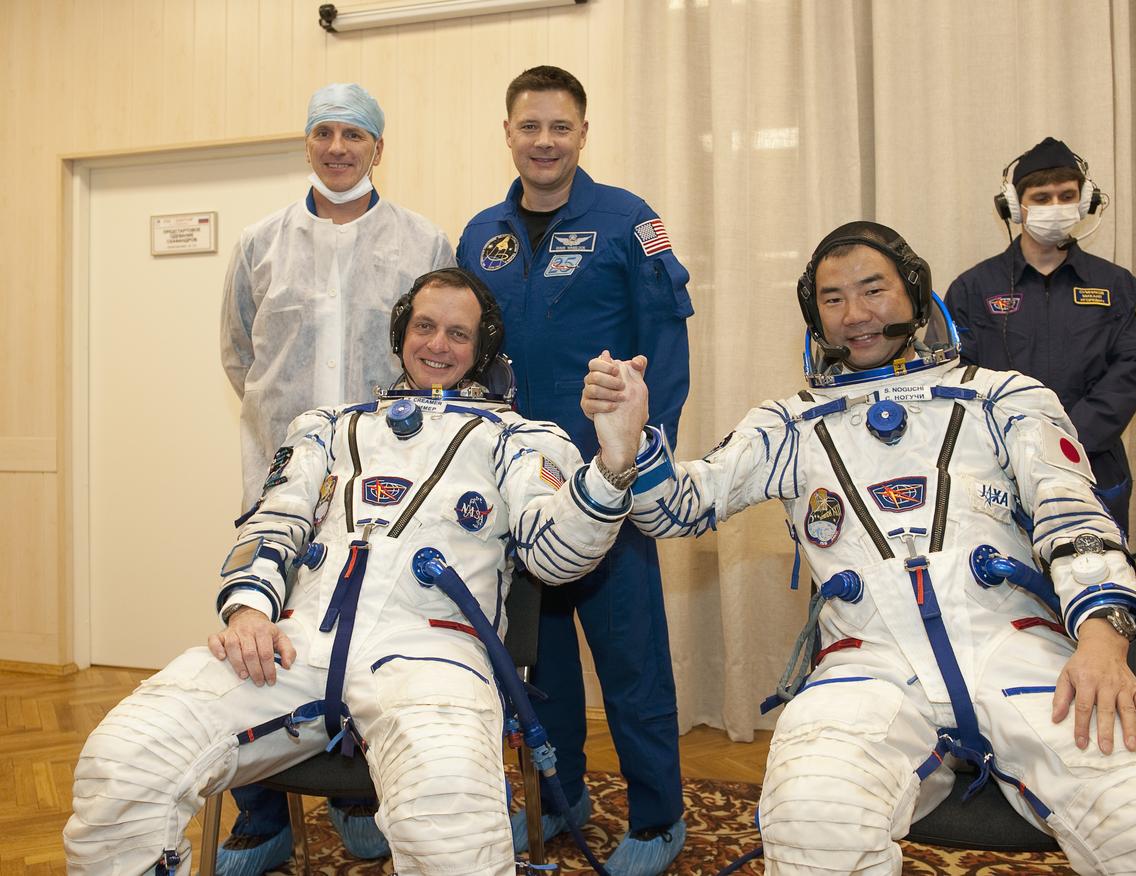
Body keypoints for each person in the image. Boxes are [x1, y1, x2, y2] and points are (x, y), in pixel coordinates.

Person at [582, 222, 1136, 875]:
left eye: (873, 290)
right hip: (865, 667)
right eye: (833, 298)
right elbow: (676, 509)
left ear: (913, 291)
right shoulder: (788, 423)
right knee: (812, 821)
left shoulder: (1004, 397)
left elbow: (1073, 513)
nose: (856, 314)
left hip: (1019, 652)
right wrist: (629, 442)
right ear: (814, 318)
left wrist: (1106, 643)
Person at [64, 268, 650, 875]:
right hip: (296, 645)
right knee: (125, 760)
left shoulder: (519, 438)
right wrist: (248, 614)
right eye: (424, 326)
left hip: (432, 655)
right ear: (401, 334)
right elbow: (273, 523)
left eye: (458, 333)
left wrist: (612, 463)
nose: (437, 345)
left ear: (481, 351)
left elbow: (557, 556)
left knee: (451, 822)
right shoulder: (329, 427)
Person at [456, 65, 694, 875]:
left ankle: (660, 818)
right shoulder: (479, 235)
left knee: (630, 660)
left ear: (583, 134)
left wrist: (636, 458)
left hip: (607, 485)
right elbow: (468, 358)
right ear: (509, 132)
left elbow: (667, 344)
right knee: (538, 662)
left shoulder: (631, 221)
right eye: (530, 127)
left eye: (560, 127)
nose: (545, 141)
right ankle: (562, 798)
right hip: (521, 493)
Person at [218, 82, 454, 869]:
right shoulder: (260, 243)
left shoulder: (424, 243)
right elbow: (240, 358)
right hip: (277, 487)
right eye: (324, 131)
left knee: (361, 639)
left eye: (355, 134)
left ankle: (357, 797)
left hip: (380, 489)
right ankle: (261, 815)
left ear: (379, 147)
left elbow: (445, 356)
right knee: (256, 639)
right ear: (308, 142)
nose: (338, 147)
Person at [946, 137, 1136, 534]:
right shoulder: (973, 288)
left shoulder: (1115, 284)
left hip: (1092, 460)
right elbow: (955, 373)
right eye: (1041, 198)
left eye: (1066, 196)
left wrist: (1070, 436)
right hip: (996, 467)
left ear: (1083, 202)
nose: (1054, 207)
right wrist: (1009, 439)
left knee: (1094, 579)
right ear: (1015, 206)